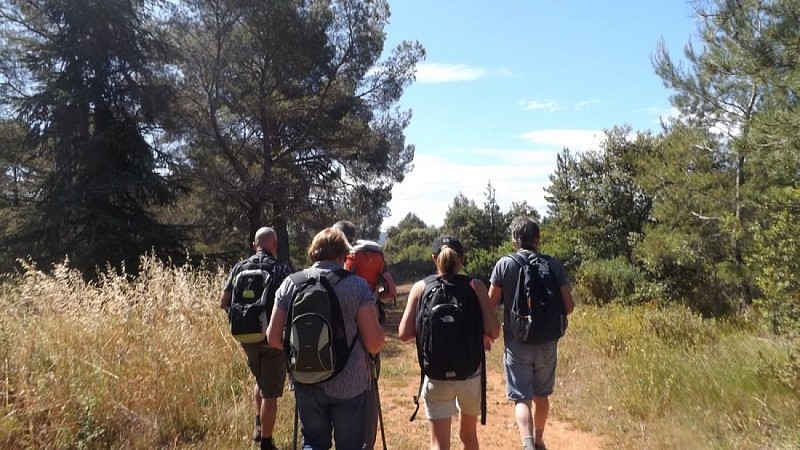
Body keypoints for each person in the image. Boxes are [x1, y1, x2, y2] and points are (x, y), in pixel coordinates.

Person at [266, 227, 385, 450]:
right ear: (343, 255)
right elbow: (374, 342)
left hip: (306, 379)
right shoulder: (357, 286)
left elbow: (273, 337)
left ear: (313, 253)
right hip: (349, 383)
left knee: (313, 442)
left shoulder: (291, 284)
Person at [398, 235, 500, 450]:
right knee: (469, 436)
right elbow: (493, 330)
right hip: (470, 373)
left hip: (436, 373)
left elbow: (404, 333)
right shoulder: (475, 286)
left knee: (439, 443)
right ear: (461, 259)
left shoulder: (421, 287)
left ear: (434, 258)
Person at [488, 217, 575, 450]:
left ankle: (527, 445)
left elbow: (490, 305)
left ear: (515, 240)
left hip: (517, 342)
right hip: (547, 341)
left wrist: (489, 333)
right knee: (542, 394)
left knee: (521, 397)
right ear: (538, 239)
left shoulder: (504, 265)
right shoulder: (553, 264)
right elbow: (570, 305)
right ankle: (538, 440)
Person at [218, 227, 292, 450]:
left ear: (254, 245)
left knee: (260, 380)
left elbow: (223, 302)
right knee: (270, 392)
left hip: (245, 337)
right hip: (272, 337)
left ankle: (259, 427)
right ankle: (267, 444)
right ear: (275, 245)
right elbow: (291, 301)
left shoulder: (239, 267)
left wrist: (242, 317)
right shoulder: (280, 269)